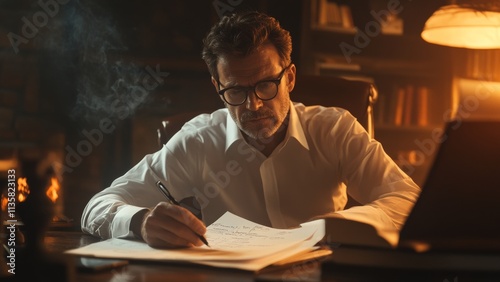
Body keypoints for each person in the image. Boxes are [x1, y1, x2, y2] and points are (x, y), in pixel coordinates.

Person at [81, 11, 420, 248]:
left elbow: (406, 199)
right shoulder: (198, 140)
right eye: (237, 91)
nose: (253, 105)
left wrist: (339, 225)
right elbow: (98, 206)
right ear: (218, 87)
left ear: (289, 78)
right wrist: (139, 222)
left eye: (266, 85)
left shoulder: (335, 130)